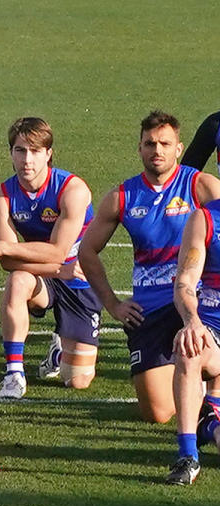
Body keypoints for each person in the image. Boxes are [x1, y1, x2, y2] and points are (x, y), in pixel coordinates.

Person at [80, 110, 220, 423]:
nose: (157, 150)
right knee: (158, 413)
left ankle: (209, 393)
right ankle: (192, 382)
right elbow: (87, 251)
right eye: (150, 143)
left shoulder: (201, 186)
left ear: (179, 148)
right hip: (150, 310)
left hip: (199, 305)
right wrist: (113, 305)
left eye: (165, 144)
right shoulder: (122, 196)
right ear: (140, 148)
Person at [0, 118, 101, 398]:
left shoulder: (73, 190)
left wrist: (2, 247)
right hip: (47, 274)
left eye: (36, 151)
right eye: (20, 150)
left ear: (48, 153)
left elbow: (57, 251)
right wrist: (56, 270)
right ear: (10, 153)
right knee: (17, 281)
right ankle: (14, 373)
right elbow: (9, 264)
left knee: (77, 381)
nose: (27, 159)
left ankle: (59, 350)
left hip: (79, 278)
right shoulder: (2, 197)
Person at [164, 200, 220, 484]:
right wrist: (192, 322)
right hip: (214, 332)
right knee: (189, 348)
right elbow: (185, 282)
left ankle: (210, 423)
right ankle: (188, 455)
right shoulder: (205, 219)